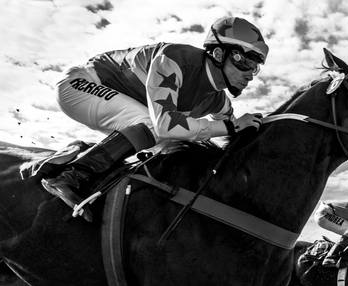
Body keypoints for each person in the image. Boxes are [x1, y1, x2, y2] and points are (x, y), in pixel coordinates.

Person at [41, 16, 268, 221]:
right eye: (245, 62)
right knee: (156, 127)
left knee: (170, 147)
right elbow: (167, 124)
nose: (250, 73)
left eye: (255, 66)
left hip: (111, 102)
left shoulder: (219, 101)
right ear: (219, 54)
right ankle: (68, 177)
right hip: (80, 84)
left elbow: (234, 137)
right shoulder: (174, 59)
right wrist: (230, 126)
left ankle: (93, 164)